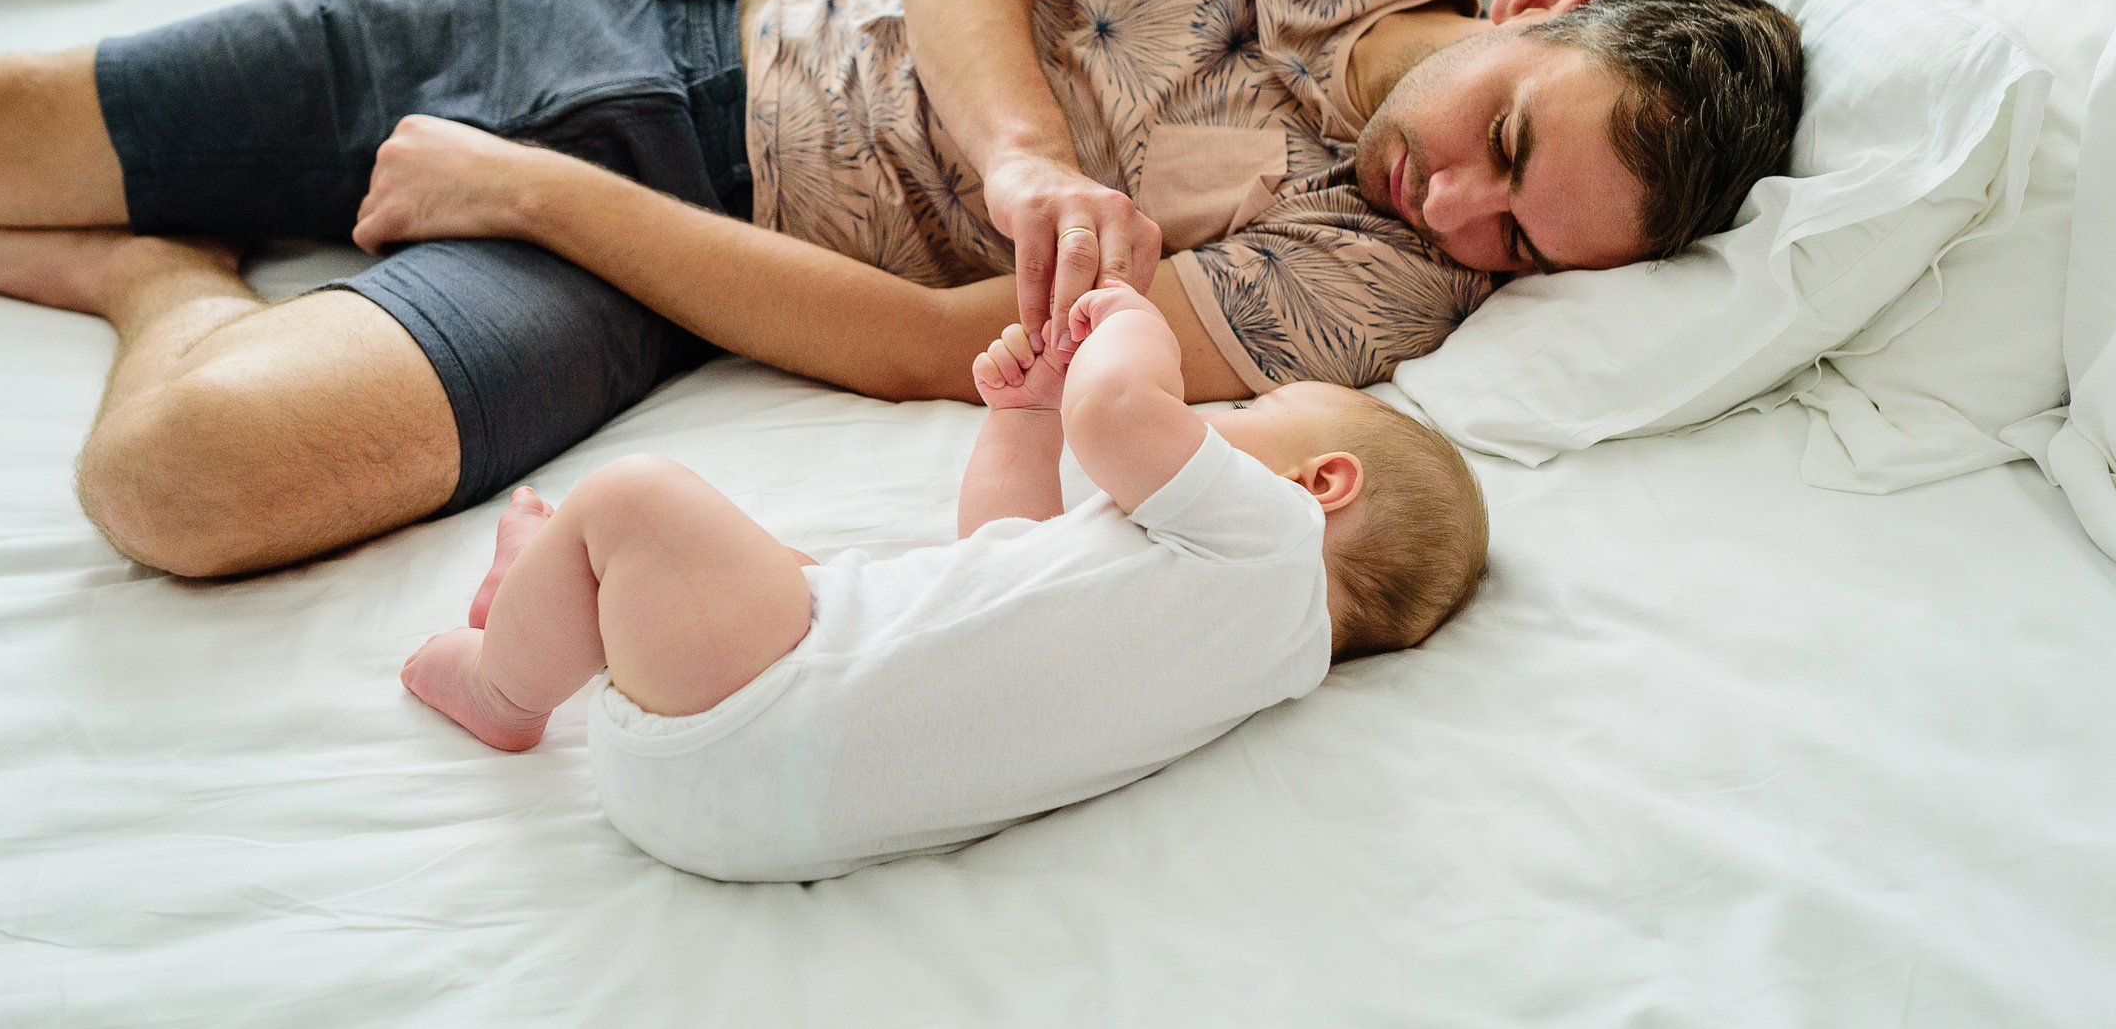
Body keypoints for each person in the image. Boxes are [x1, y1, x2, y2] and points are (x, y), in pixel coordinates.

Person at [0, 0, 1803, 577]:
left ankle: (161, 274)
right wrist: (1020, 152)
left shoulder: (1383, 297)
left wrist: (547, 203)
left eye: (1521, 243)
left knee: (184, 485)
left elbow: (939, 349)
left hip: (679, 262)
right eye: (1504, 147)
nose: (1456, 213)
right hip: (645, 17)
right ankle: (161, 214)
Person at [399, 279, 1488, 882]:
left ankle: (507, 680)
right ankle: (562, 601)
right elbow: (996, 563)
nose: (1207, 424)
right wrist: (1018, 421)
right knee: (819, 580)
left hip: (750, 720)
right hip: (771, 809)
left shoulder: (1275, 536)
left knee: (633, 497)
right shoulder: (1260, 654)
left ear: (1323, 481)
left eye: (1246, 416)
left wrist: (1138, 325)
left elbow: (1114, 415)